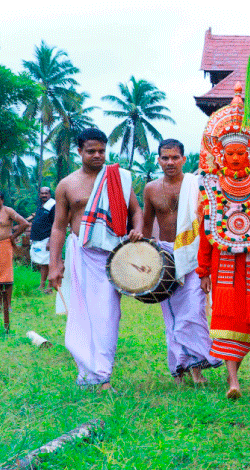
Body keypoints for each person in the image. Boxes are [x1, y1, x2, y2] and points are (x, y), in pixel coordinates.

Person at [195, 85, 250, 400]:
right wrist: (203, 270)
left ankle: (235, 365)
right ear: (221, 154)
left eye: (241, 153)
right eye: (229, 153)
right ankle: (233, 379)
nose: (235, 158)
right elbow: (207, 232)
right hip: (223, 264)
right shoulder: (212, 187)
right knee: (225, 314)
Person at [48, 128, 144, 390]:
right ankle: (87, 373)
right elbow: (58, 227)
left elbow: (136, 212)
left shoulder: (119, 178)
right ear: (80, 151)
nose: (98, 156)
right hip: (81, 254)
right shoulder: (67, 184)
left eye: (102, 151)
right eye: (91, 151)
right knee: (80, 314)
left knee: (108, 316)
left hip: (113, 257)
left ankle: (103, 375)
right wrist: (55, 264)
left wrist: (137, 229)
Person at [143, 138, 222, 385]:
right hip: (164, 255)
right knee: (172, 316)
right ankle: (179, 369)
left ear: (184, 159)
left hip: (194, 252)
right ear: (158, 160)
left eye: (175, 157)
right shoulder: (151, 189)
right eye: (165, 158)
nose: (170, 162)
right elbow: (146, 224)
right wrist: (144, 253)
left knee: (194, 311)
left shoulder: (196, 185)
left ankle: (196, 370)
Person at [0, 191, 30, 331]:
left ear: (2, 200)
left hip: (3, 247)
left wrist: (13, 237)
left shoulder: (8, 211)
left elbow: (24, 223)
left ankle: (8, 306)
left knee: (6, 278)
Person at [29, 187, 55, 294]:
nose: (44, 195)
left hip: (47, 239)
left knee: (50, 263)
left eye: (46, 193)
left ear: (50, 194)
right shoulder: (41, 206)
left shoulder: (53, 205)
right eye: (42, 193)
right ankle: (42, 285)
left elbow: (55, 224)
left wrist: (51, 240)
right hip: (39, 239)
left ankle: (49, 287)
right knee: (43, 264)